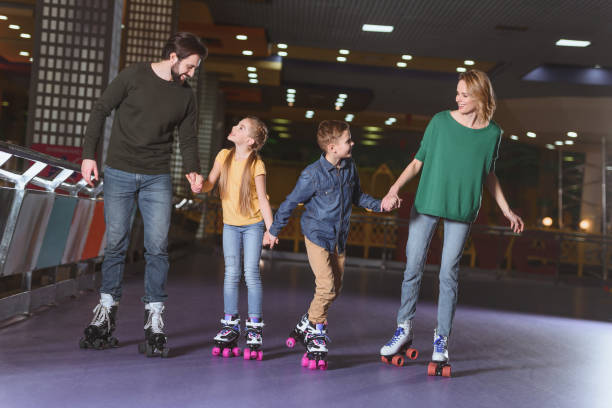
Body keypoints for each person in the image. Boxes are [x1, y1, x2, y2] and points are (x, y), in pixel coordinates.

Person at [378, 69, 524, 376]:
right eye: (457, 92)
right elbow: (418, 161)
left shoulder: (493, 134)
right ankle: (403, 328)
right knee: (413, 267)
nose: (458, 99)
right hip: (427, 201)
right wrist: (394, 188)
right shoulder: (440, 122)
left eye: (465, 94)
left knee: (448, 275)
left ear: (481, 96)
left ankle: (441, 340)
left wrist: (507, 210)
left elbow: (489, 175)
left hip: (462, 208)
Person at [78, 32, 208, 357]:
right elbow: (100, 109)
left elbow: (188, 138)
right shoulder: (134, 76)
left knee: (157, 248)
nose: (191, 74)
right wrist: (88, 155)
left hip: (157, 177)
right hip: (120, 170)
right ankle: (106, 313)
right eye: (190, 66)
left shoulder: (186, 96)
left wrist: (193, 169)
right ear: (174, 57)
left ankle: (155, 319)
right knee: (116, 244)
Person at [266, 120, 398, 370]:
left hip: (339, 237)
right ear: (332, 147)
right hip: (317, 234)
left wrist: (380, 204)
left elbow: (358, 196)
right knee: (326, 286)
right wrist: (273, 231)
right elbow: (290, 203)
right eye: (348, 140)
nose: (353, 143)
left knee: (335, 288)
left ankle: (307, 320)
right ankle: (316, 333)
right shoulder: (311, 174)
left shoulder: (349, 167)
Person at [195, 117, 272, 361]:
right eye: (236, 124)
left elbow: (262, 199)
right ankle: (230, 324)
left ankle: (254, 328)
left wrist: (271, 229)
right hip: (230, 224)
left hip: (253, 225)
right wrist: (199, 186)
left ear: (250, 141)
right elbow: (209, 184)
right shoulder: (223, 156)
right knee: (231, 273)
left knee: (250, 273)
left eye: (240, 127)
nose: (234, 128)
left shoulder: (256, 164)